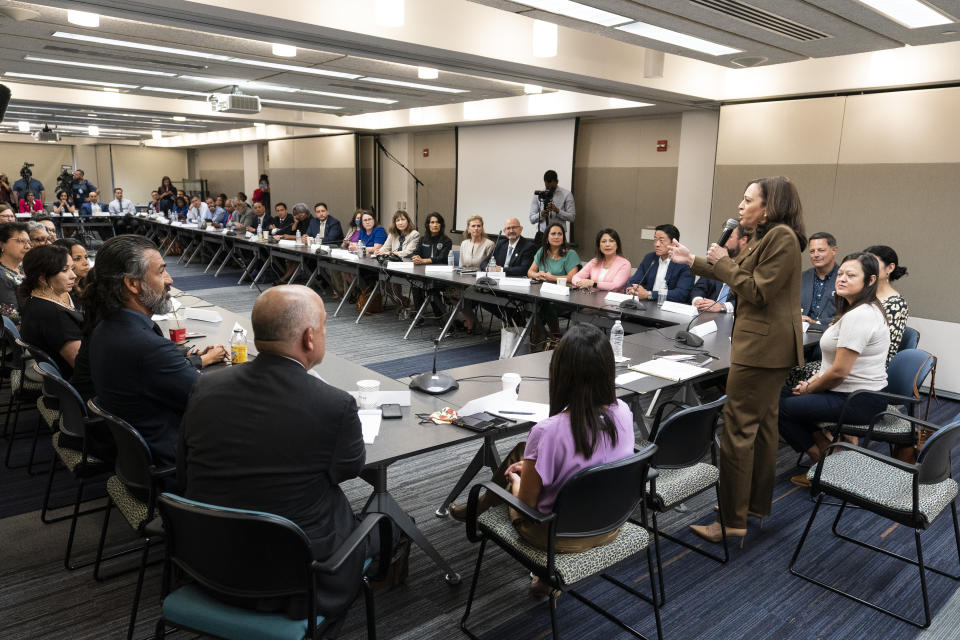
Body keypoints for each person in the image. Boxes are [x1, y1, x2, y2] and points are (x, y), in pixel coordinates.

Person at [177, 285, 373, 618]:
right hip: (295, 579)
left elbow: (184, 466)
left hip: (205, 560)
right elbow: (349, 470)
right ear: (309, 337)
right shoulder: (334, 405)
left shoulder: (205, 386)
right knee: (385, 521)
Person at [668, 176, 806, 545]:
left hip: (762, 348)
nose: (740, 206)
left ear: (769, 205)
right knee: (761, 430)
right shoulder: (768, 237)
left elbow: (756, 290)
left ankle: (732, 521)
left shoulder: (782, 238)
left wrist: (724, 260)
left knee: (737, 432)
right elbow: (739, 273)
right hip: (766, 346)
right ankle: (750, 509)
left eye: (748, 200)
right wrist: (693, 260)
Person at [447, 323, 636, 561]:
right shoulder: (623, 412)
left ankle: (543, 574)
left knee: (516, 473)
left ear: (561, 373)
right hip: (610, 524)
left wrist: (516, 480)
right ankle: (481, 508)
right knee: (522, 452)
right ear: (608, 370)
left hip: (554, 534)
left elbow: (526, 504)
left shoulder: (549, 431)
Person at [84, 235, 226, 467]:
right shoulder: (146, 346)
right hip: (173, 464)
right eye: (160, 272)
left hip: (135, 460)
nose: (169, 280)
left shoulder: (106, 327)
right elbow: (210, 400)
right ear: (132, 283)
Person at [779, 253, 890, 486]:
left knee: (775, 407)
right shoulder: (854, 310)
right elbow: (832, 365)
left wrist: (810, 388)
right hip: (847, 392)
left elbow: (839, 372)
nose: (841, 279)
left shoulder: (860, 316)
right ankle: (827, 453)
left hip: (859, 400)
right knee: (775, 395)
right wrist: (812, 382)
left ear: (870, 281)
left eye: (851, 275)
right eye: (840, 274)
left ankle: (821, 462)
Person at [19, 245, 82, 377]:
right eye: (65, 270)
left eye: (72, 269)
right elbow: (82, 365)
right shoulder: (54, 315)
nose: (73, 275)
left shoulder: (35, 300)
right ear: (42, 278)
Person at [528, 223, 581, 343]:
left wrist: (552, 277)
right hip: (543, 293)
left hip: (565, 297)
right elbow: (530, 272)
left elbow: (572, 277)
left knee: (545, 305)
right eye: (553, 234)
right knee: (529, 304)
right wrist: (537, 275)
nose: (556, 236)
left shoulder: (570, 254)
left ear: (563, 237)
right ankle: (544, 336)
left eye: (560, 234)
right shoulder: (542, 251)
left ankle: (554, 336)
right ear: (547, 237)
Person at [625, 224, 694, 303]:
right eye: (655, 240)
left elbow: (681, 294)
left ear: (674, 243)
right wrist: (631, 290)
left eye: (661, 241)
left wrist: (649, 294)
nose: (656, 244)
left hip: (669, 308)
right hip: (645, 305)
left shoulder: (685, 263)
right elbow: (633, 282)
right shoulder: (650, 258)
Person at [864, 245, 909, 364]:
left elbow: (885, 347)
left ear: (890, 268)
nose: (866, 268)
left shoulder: (896, 304)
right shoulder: (862, 295)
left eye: (872, 263)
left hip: (872, 366)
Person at [690, 224, 751, 313]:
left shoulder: (749, 265)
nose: (724, 241)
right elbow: (699, 288)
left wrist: (723, 307)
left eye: (729, 237)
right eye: (724, 235)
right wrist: (698, 300)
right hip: (707, 315)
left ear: (743, 240)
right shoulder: (716, 260)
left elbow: (749, 300)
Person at [801, 231, 839, 325]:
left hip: (832, 334)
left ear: (834, 250)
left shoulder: (844, 278)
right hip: (803, 333)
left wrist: (816, 322)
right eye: (812, 251)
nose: (816, 255)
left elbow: (850, 314)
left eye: (821, 250)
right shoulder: (801, 278)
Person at [528, 169, 575, 237]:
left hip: (558, 235)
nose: (549, 189)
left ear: (557, 182)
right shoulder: (539, 195)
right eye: (547, 187)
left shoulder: (567, 194)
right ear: (544, 182)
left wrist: (557, 211)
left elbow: (572, 217)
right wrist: (541, 214)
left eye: (552, 187)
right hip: (542, 234)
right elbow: (532, 219)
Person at [0, 222, 30, 323]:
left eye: (28, 242)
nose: (27, 246)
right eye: (21, 241)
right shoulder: (2, 276)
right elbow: (11, 318)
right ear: (2, 244)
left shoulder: (26, 268)